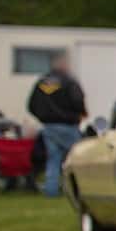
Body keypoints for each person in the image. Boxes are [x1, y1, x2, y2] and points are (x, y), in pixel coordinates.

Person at [27, 51, 87, 197]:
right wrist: (81, 113)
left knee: (53, 159)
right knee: (78, 158)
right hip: (68, 125)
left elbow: (31, 105)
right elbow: (77, 100)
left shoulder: (42, 82)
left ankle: (51, 190)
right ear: (63, 64)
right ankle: (81, 190)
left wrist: (43, 117)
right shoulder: (69, 81)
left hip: (49, 127)